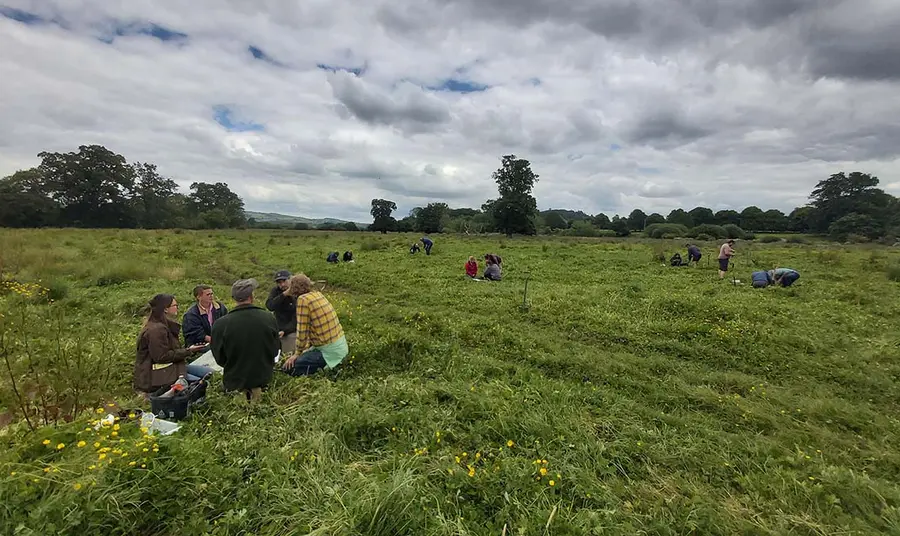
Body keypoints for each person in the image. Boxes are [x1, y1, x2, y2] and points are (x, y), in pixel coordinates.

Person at [211, 279, 280, 401]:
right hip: (263, 379)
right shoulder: (268, 318)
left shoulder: (220, 324)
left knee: (238, 414)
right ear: (251, 296)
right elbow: (275, 350)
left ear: (234, 298)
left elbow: (219, 358)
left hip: (235, 381)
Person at [134, 294, 210, 397]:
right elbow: (161, 357)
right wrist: (189, 351)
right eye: (175, 305)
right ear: (165, 309)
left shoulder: (163, 325)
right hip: (158, 375)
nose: (177, 308)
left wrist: (188, 350)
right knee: (203, 383)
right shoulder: (156, 330)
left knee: (211, 373)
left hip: (174, 366)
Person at [281, 274, 349, 376]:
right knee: (302, 357)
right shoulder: (317, 294)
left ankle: (327, 369)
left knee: (292, 366)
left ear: (293, 289)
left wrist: (297, 353)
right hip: (339, 347)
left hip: (329, 351)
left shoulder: (303, 300)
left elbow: (302, 331)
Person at [266, 270, 297, 357]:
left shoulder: (297, 292)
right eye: (279, 282)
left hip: (292, 330)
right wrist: (283, 295)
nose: (282, 284)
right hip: (278, 328)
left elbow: (297, 317)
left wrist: (286, 330)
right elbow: (270, 305)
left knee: (289, 353)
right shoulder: (276, 291)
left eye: (284, 281)